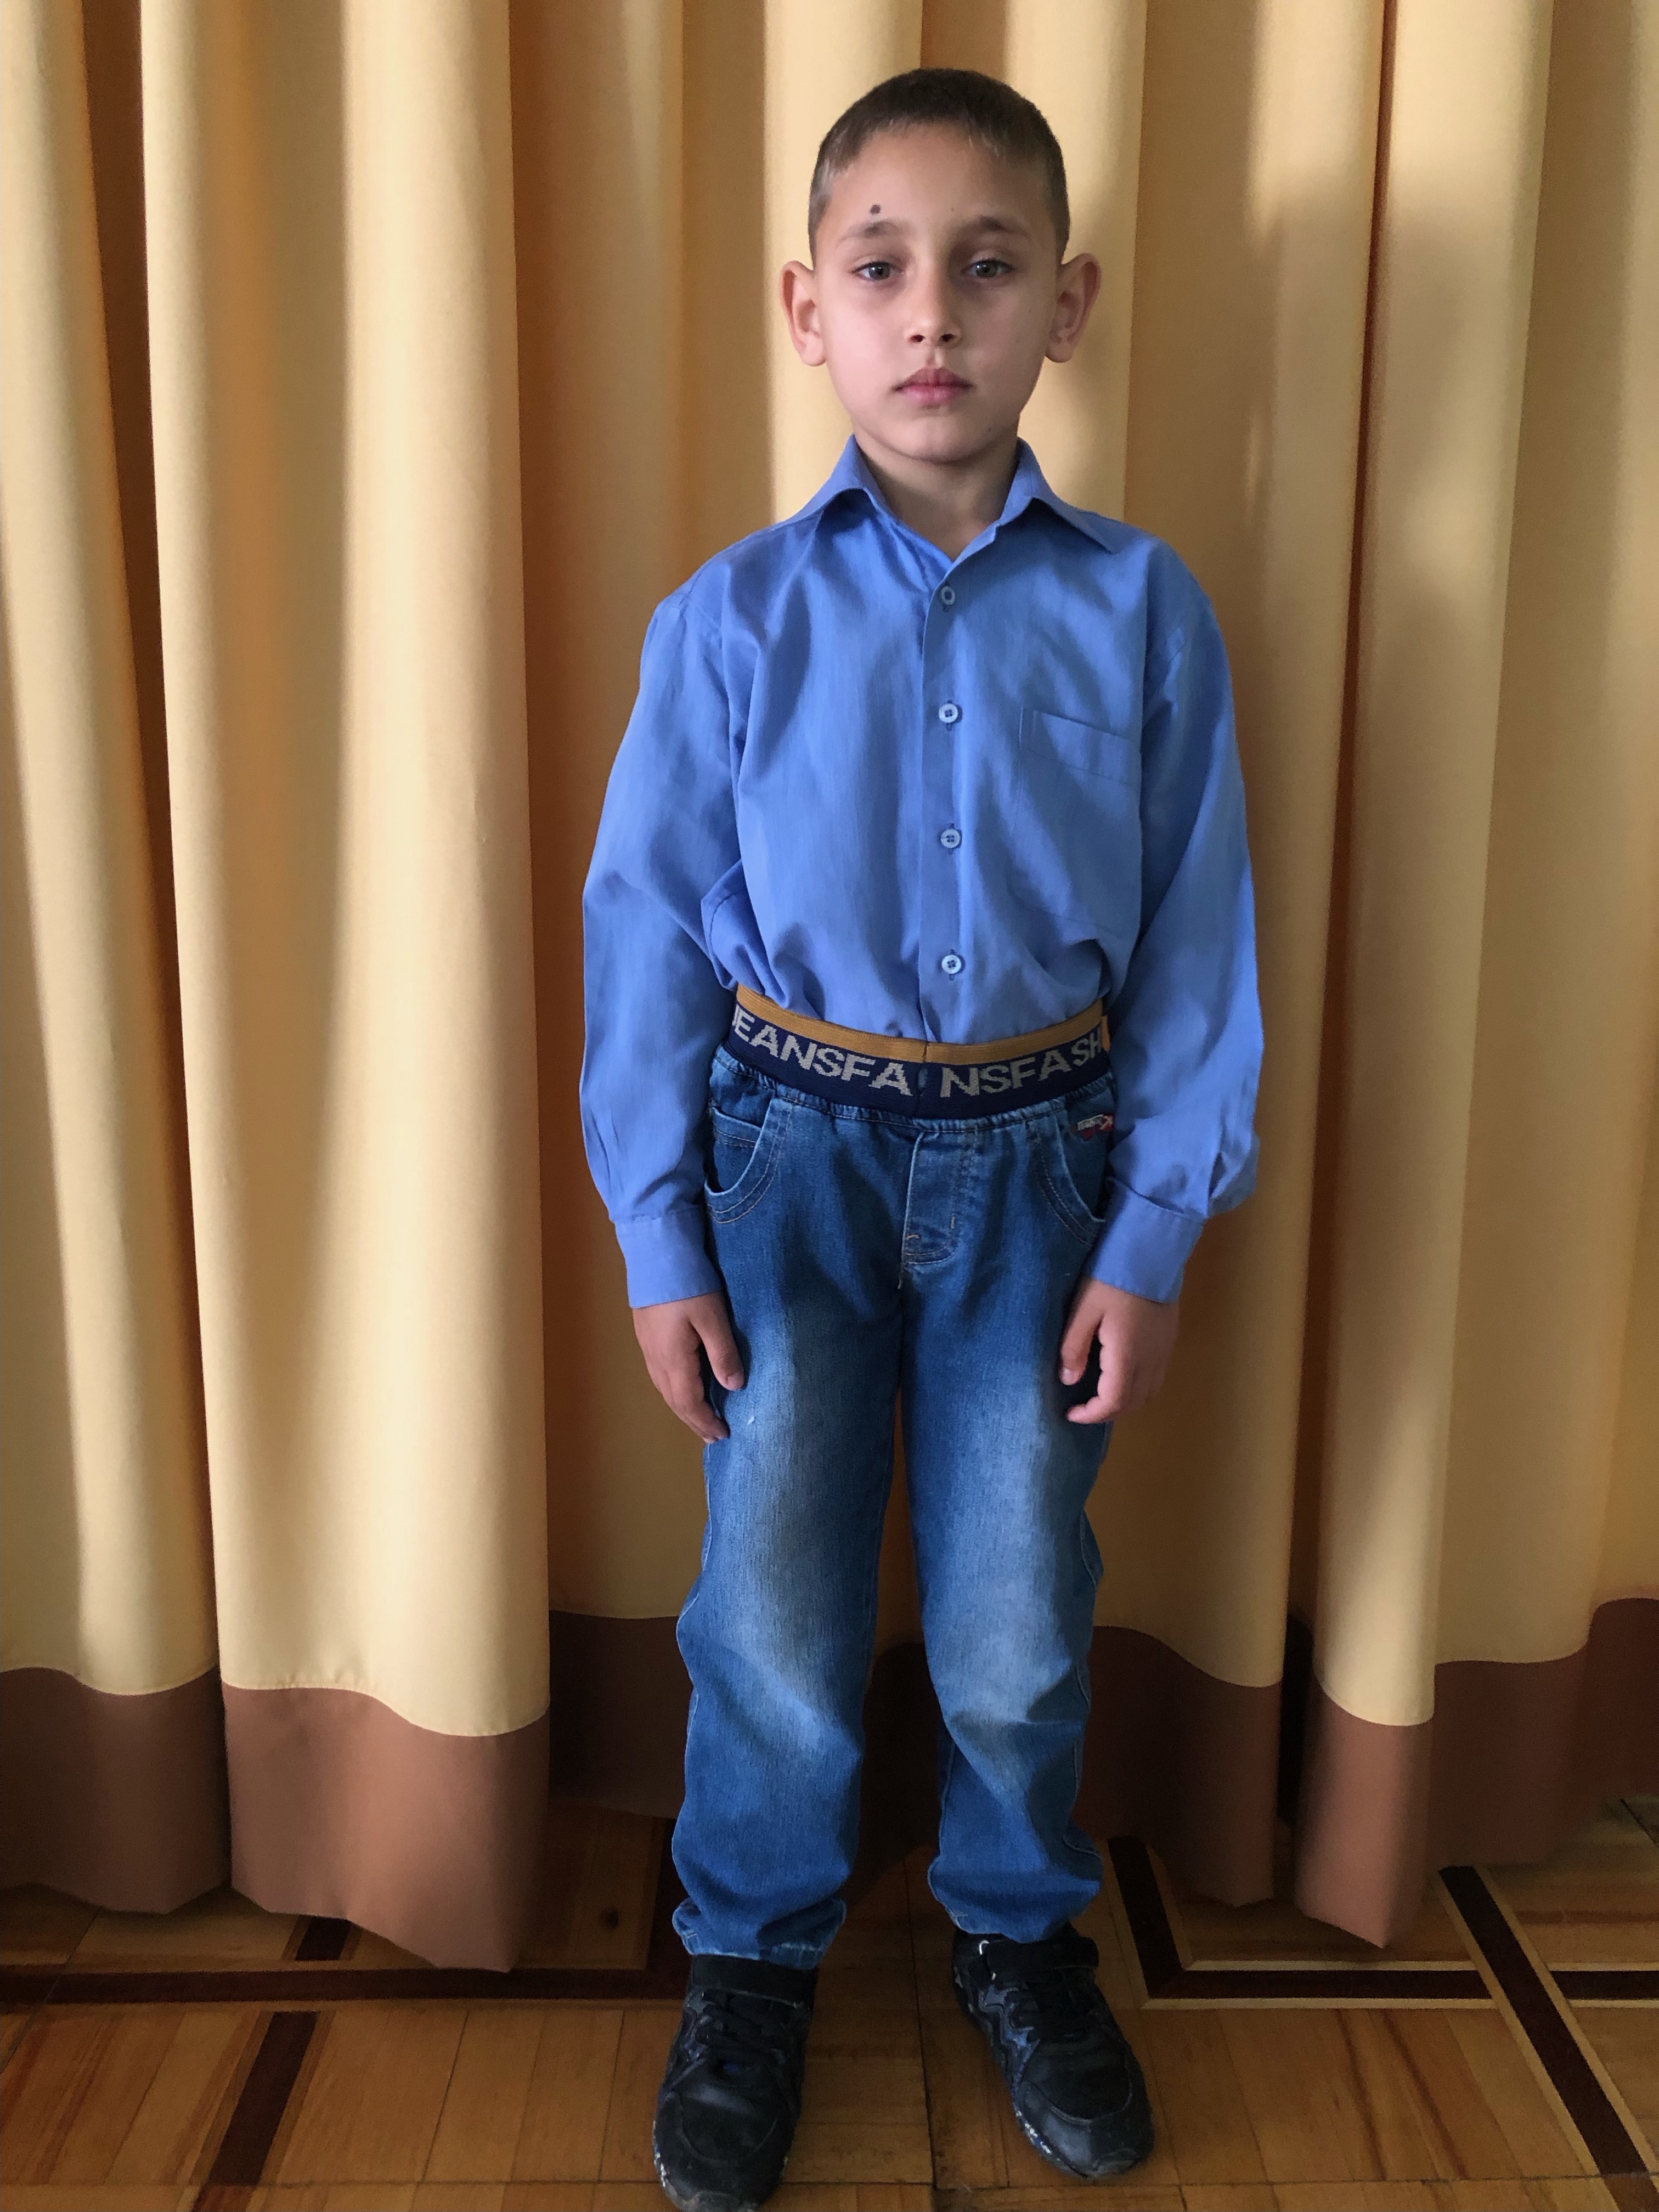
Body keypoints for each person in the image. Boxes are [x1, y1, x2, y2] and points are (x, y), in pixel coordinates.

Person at [580, 65, 1263, 2212]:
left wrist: (1153, 1231)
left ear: (1069, 302)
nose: (933, 313)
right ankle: (751, 1955)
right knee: (773, 1606)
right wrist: (659, 1236)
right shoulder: (726, 625)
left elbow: (1199, 940)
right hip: (785, 1163)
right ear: (809, 310)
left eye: (987, 266)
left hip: (1045, 1176)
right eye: (880, 268)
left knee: (1014, 1607)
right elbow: (644, 935)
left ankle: (1013, 1927)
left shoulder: (1144, 613)